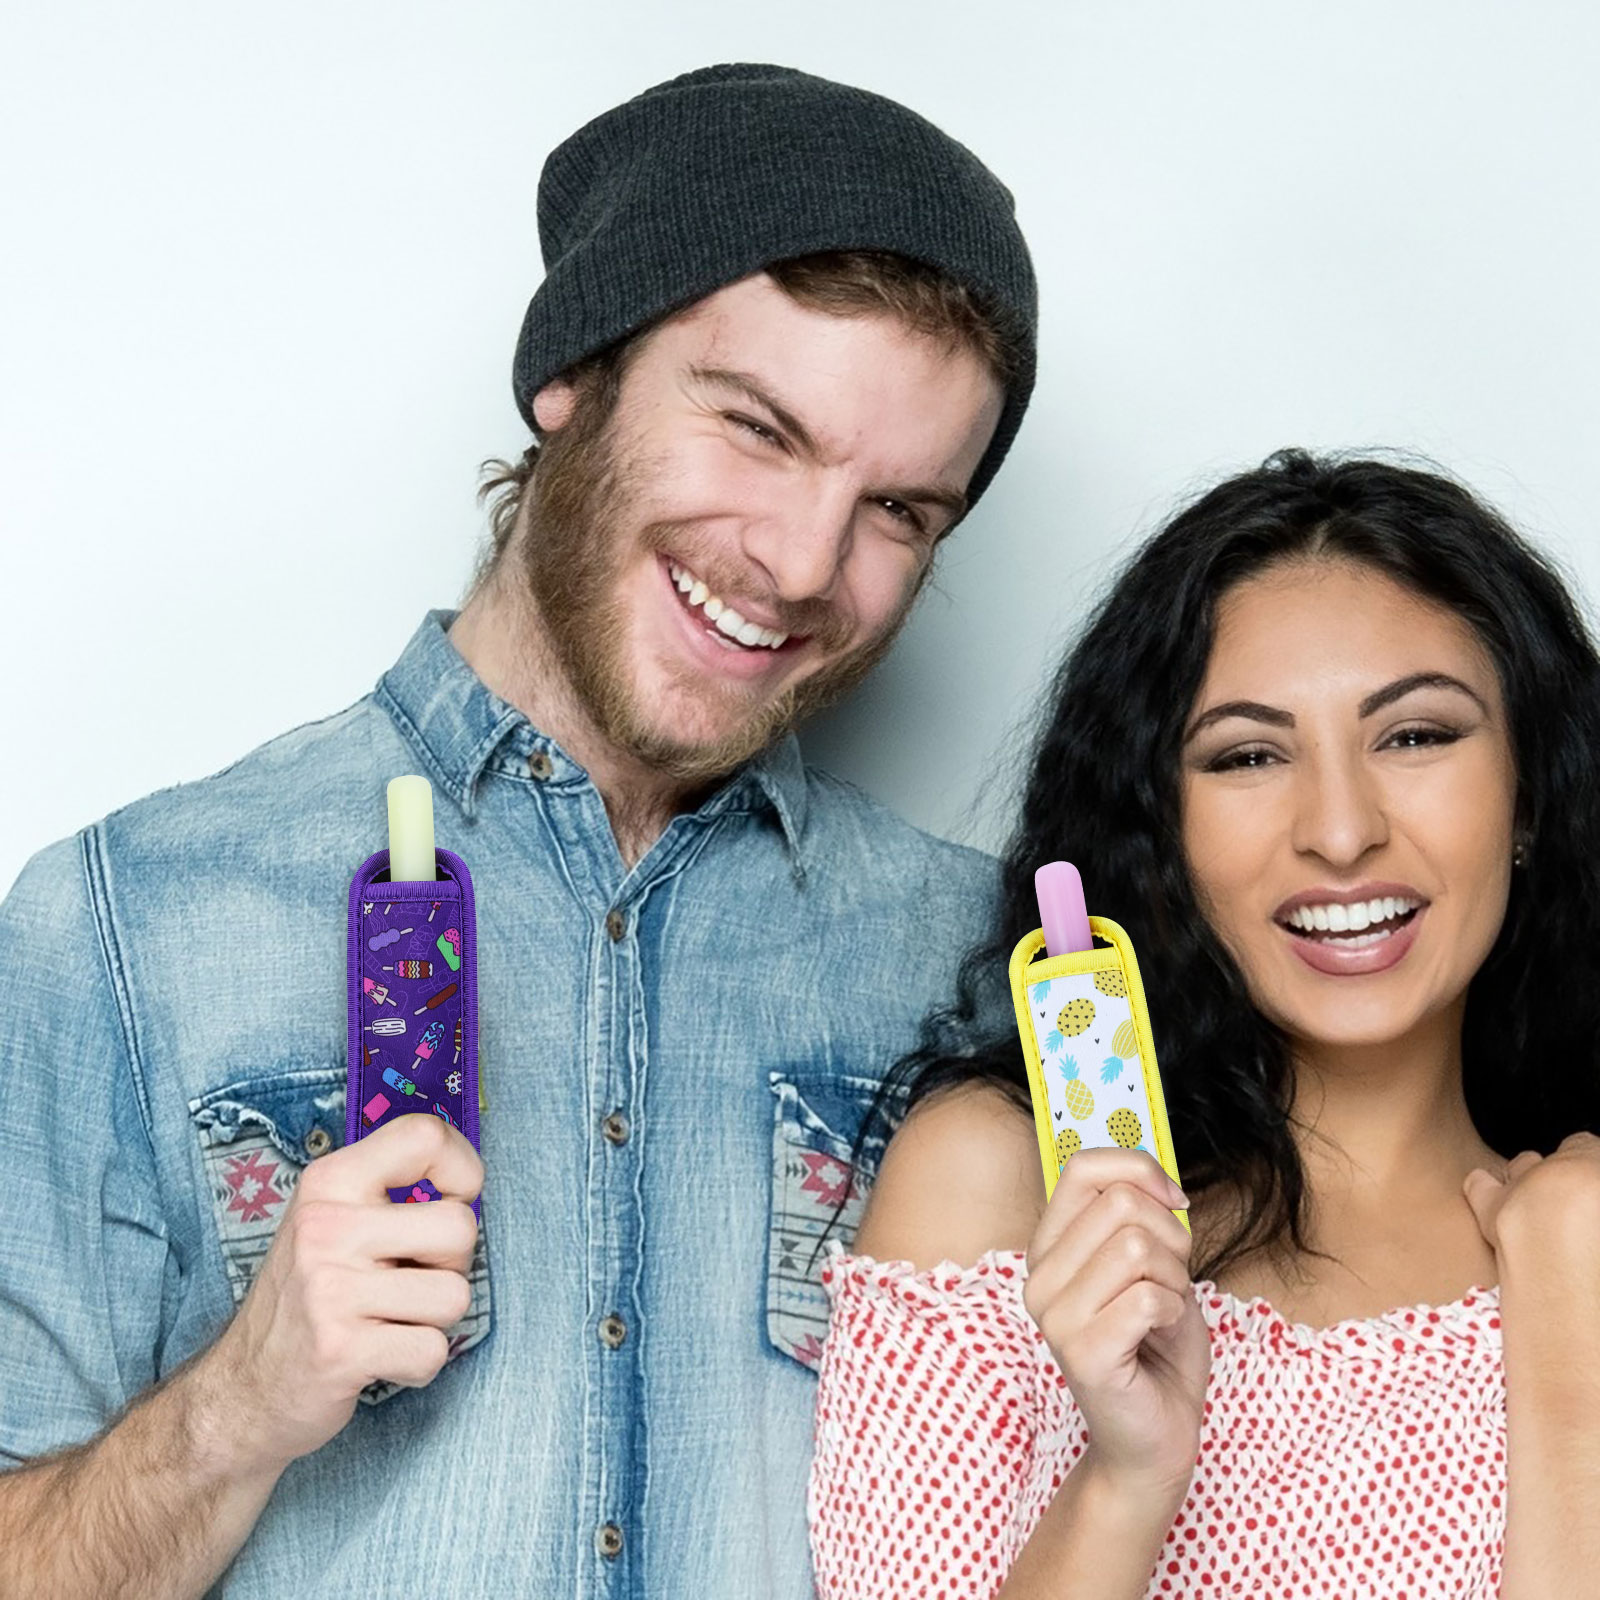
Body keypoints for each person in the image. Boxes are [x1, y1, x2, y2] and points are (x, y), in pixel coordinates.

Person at [0, 64, 1037, 1597]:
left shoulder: (980, 967)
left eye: (901, 512)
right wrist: (237, 1407)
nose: (805, 563)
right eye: (759, 429)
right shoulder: (127, 925)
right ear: (574, 373)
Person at [808, 449, 1600, 1598]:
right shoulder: (1001, 1189)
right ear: (1162, 831)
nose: (1340, 831)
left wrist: (1570, 1375)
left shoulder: (1582, 1250)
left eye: (1416, 735)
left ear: (1528, 794)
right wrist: (1126, 1476)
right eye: (1247, 755)